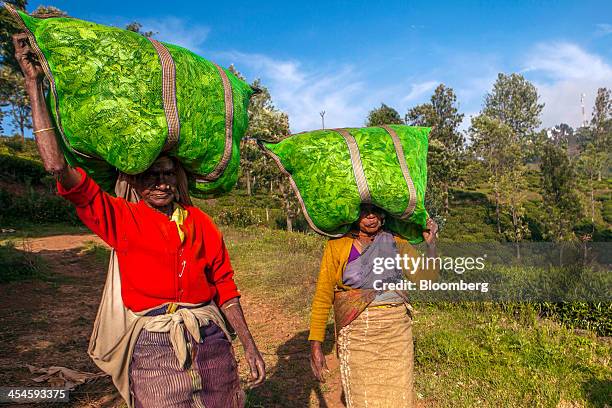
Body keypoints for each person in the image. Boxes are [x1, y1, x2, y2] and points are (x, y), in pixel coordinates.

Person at [13, 33, 265, 408]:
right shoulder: (121, 217)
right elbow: (57, 167)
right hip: (153, 343)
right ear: (134, 180)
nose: (160, 182)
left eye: (166, 174)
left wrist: (248, 343)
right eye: (149, 175)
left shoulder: (201, 223)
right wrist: (33, 84)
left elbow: (225, 286)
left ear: (177, 178)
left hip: (210, 335)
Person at [309, 204, 438, 408]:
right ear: (353, 214)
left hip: (396, 332)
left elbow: (426, 280)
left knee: (399, 397)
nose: (371, 216)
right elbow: (323, 295)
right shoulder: (337, 245)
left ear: (384, 214)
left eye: (376, 211)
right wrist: (316, 344)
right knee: (363, 399)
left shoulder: (396, 241)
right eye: (364, 211)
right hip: (358, 333)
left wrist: (431, 245)